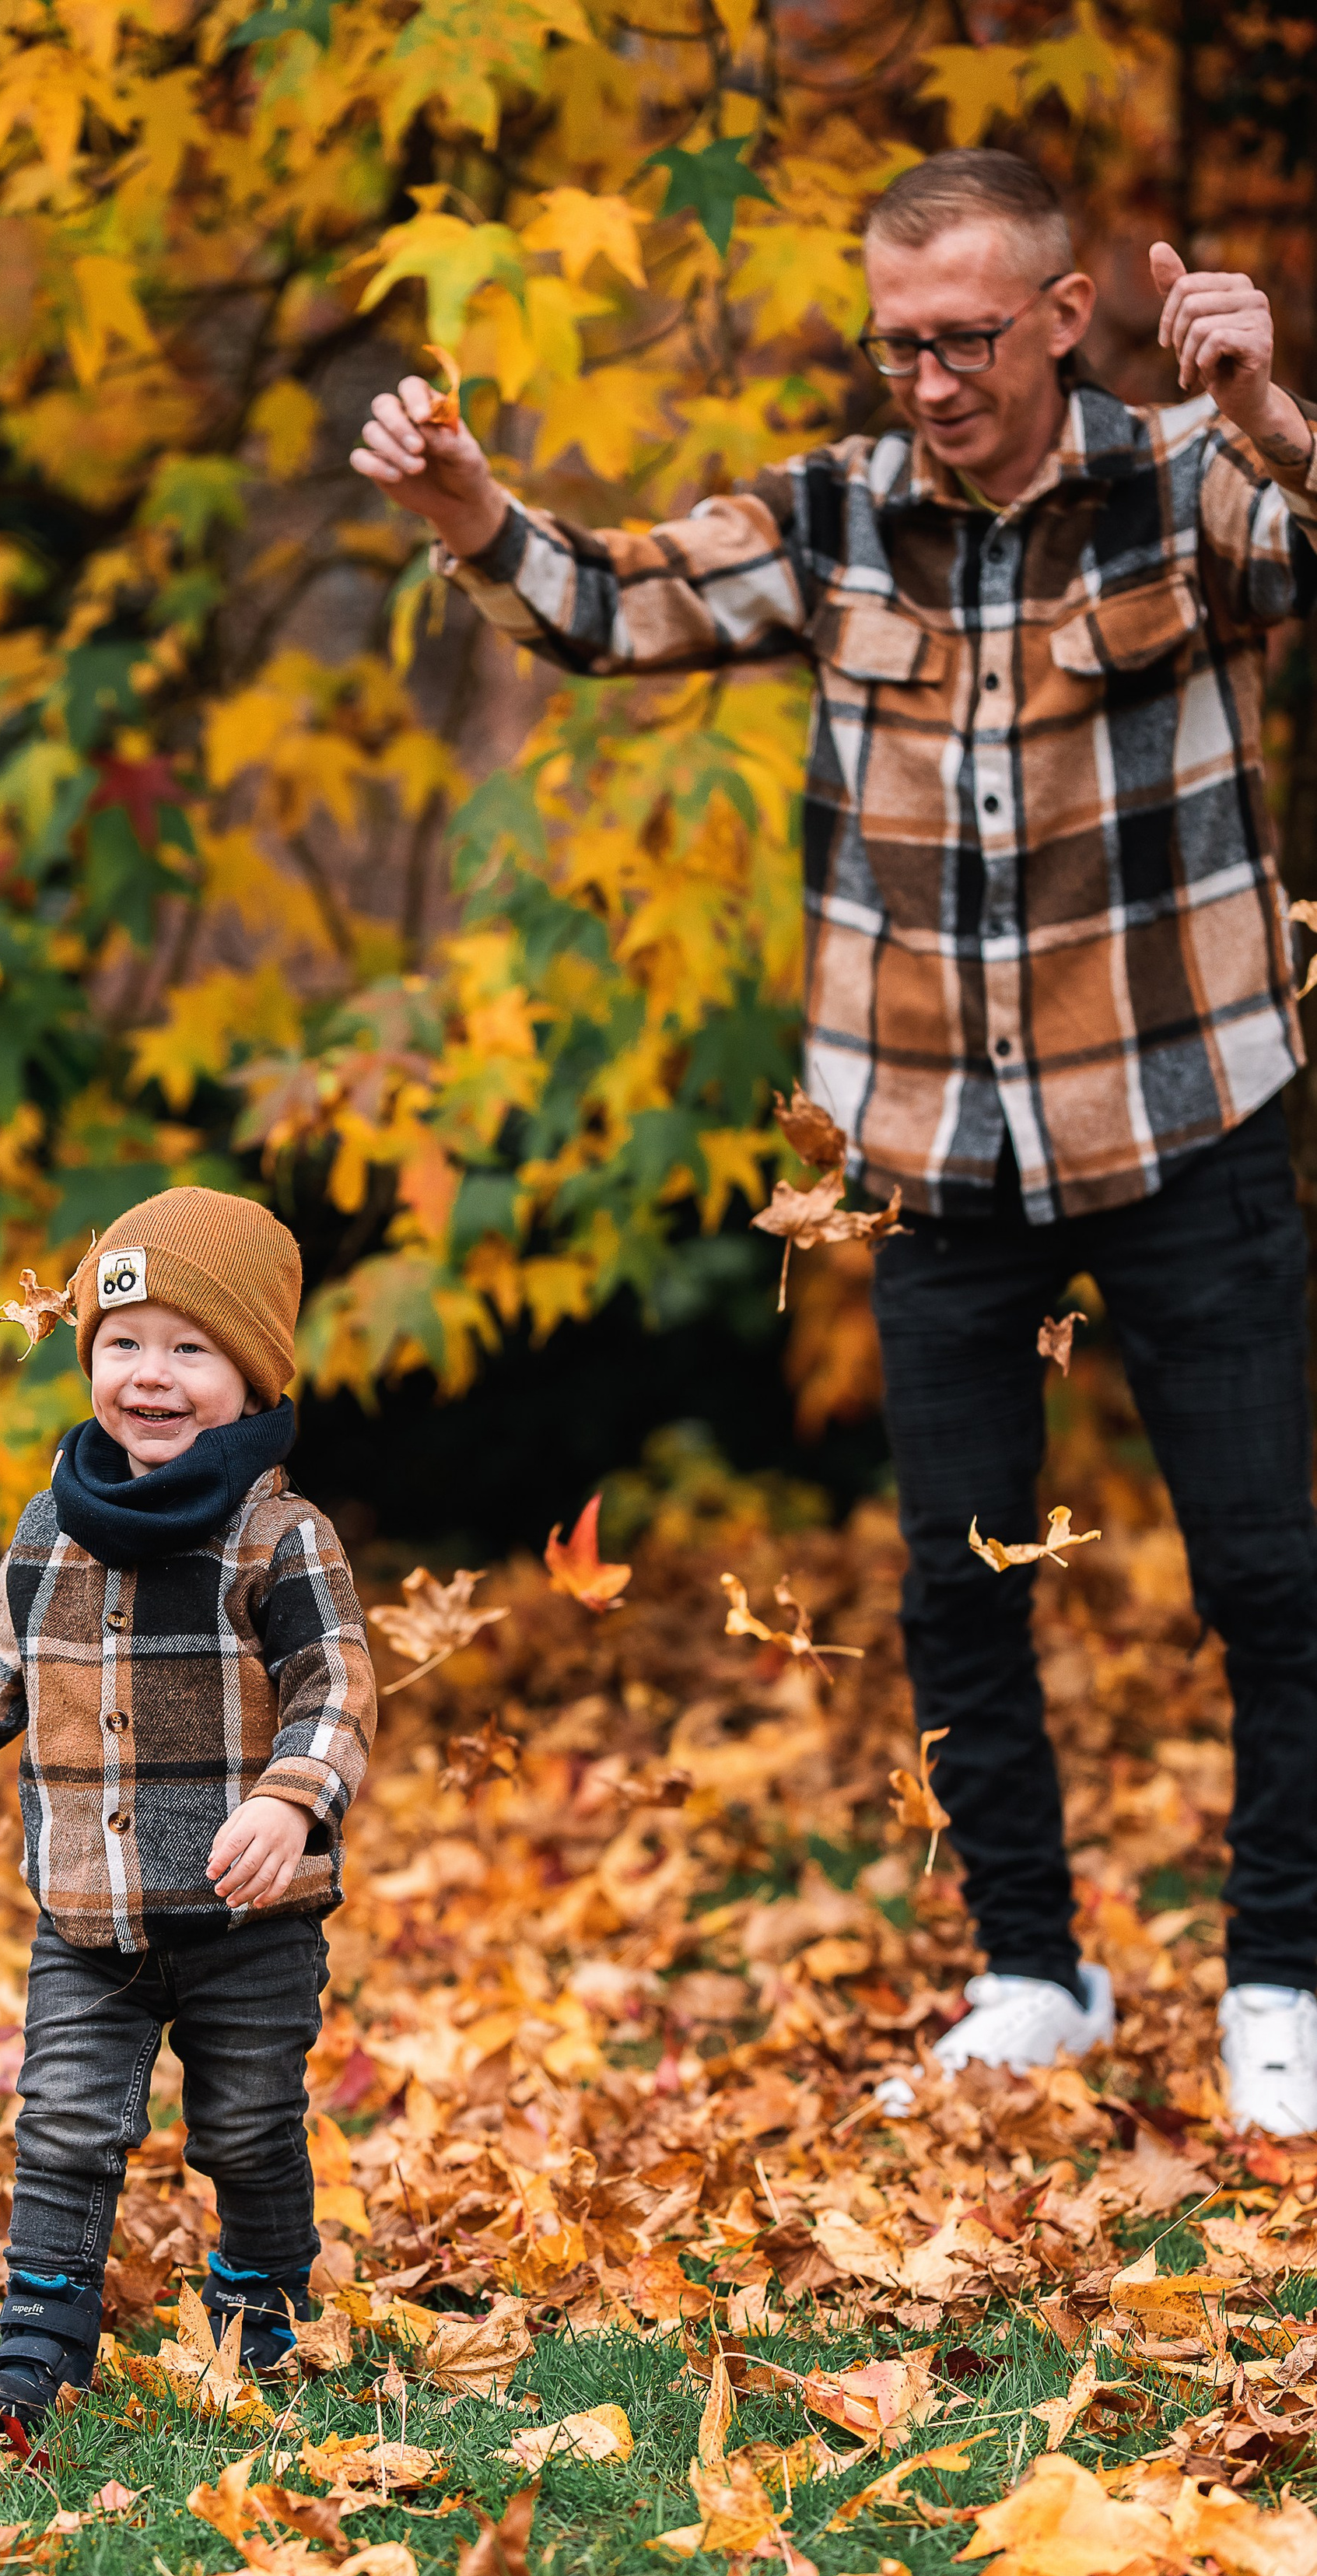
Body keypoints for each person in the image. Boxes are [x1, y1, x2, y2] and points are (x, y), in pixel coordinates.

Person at [355, 148, 1317, 2135]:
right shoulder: (838, 514)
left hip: (1181, 1117)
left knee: (1265, 1576)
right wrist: (471, 511)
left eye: (966, 337)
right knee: (954, 1585)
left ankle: (1282, 1982)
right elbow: (613, 602)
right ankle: (1030, 1969)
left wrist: (1270, 412)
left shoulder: (1189, 477)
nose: (932, 378)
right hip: (931, 1150)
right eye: (899, 343)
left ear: (1064, 315)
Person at [0, 1189, 377, 2429]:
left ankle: (262, 2309)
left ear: (251, 1379)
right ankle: (40, 2336)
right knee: (66, 2130)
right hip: (86, 1921)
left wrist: (294, 1802)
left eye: (191, 1348)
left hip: (249, 1919)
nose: (151, 1375)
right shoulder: (52, 1531)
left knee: (247, 2125)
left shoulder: (280, 1538)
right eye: (123, 1342)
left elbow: (338, 1685)